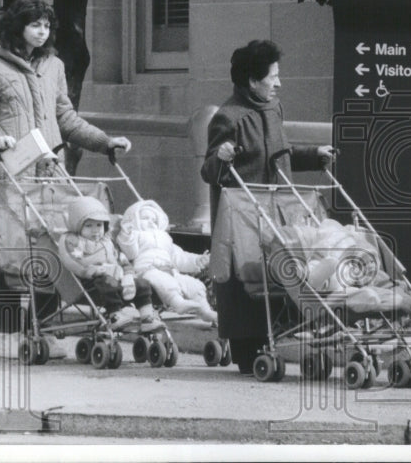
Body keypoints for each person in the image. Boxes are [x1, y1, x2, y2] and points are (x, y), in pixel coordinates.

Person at [0, 0, 131, 354]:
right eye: (35, 24)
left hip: (49, 176)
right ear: (16, 25)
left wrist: (104, 142)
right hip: (8, 175)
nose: (42, 31)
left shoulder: (53, 66)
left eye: (47, 25)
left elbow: (66, 118)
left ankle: (44, 330)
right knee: (10, 251)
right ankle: (6, 338)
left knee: (48, 247)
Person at [200, 40, 336, 374]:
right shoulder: (227, 118)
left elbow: (281, 154)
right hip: (243, 219)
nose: (278, 83)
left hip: (278, 212)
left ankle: (279, 339)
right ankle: (249, 348)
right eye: (272, 77)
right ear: (251, 81)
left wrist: (314, 155)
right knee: (248, 281)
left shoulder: (273, 110)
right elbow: (209, 171)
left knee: (284, 274)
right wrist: (221, 157)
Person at [58, 196, 163, 332]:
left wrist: (128, 273)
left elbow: (122, 258)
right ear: (78, 226)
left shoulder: (108, 241)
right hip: (93, 282)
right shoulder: (75, 241)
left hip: (118, 279)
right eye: (88, 226)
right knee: (107, 282)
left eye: (99, 225)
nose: (95, 230)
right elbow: (72, 260)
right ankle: (114, 314)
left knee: (143, 284)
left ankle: (147, 316)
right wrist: (91, 270)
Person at [116, 200, 217, 324]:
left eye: (154, 219)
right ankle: (177, 303)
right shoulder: (136, 235)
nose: (150, 222)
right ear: (135, 219)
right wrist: (127, 234)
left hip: (170, 270)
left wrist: (197, 260)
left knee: (194, 284)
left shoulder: (165, 238)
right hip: (147, 270)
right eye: (145, 218)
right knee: (163, 281)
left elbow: (178, 256)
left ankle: (205, 311)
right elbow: (130, 252)